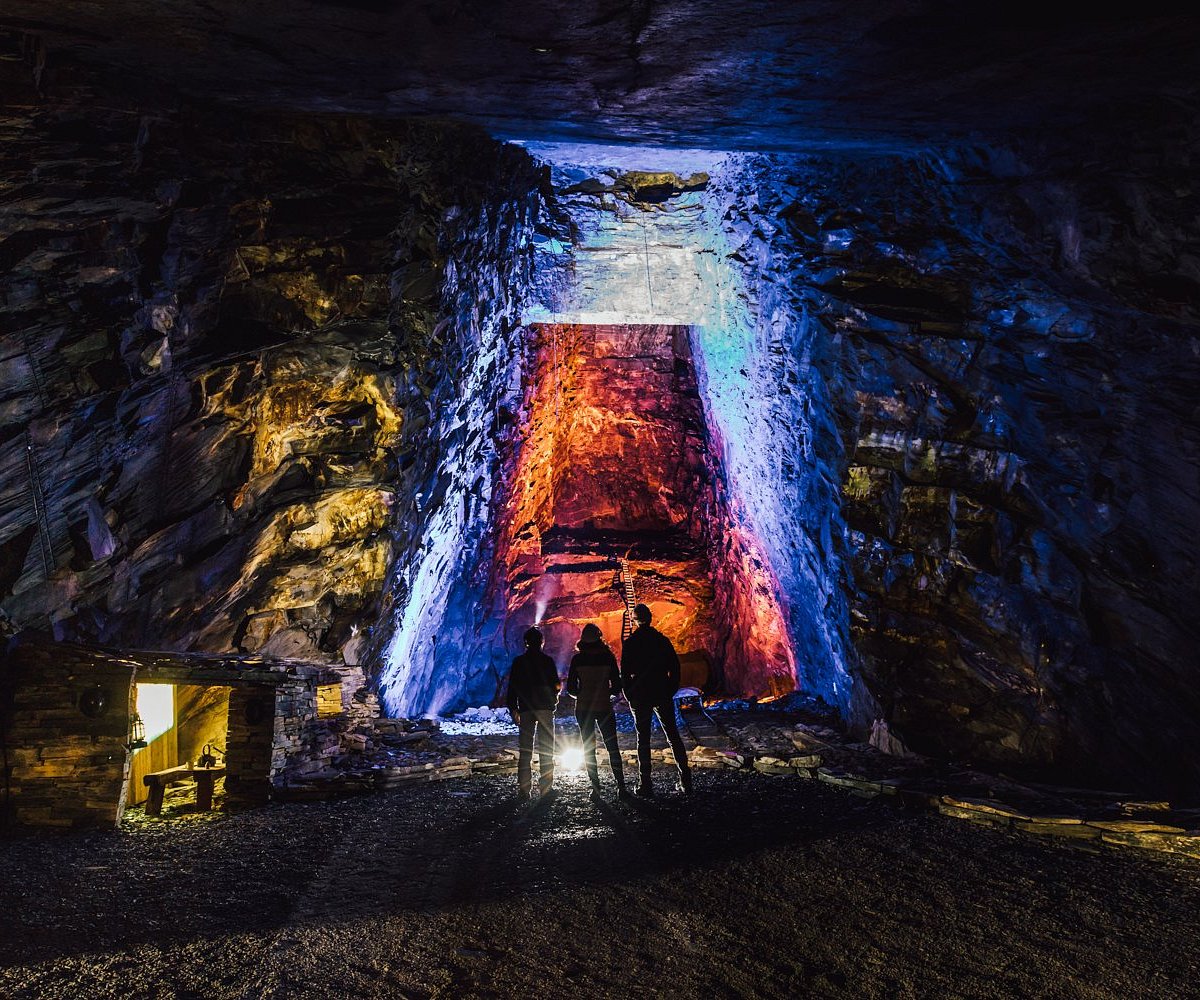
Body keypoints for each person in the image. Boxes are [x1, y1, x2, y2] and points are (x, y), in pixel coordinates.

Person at [620, 604, 693, 797]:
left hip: (641, 693)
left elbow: (624, 673)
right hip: (661, 690)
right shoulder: (661, 641)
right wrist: (670, 689)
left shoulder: (631, 643)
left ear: (634, 621)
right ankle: (686, 780)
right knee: (672, 735)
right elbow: (675, 668)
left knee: (642, 739)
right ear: (651, 618)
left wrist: (629, 695)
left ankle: (646, 784)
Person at [566, 623, 628, 798]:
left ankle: (596, 788)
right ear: (599, 638)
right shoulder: (608, 657)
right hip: (604, 707)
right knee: (612, 746)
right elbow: (616, 686)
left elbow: (571, 689)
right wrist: (605, 693)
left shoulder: (577, 660)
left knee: (588, 748)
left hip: (584, 708)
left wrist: (582, 693)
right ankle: (621, 787)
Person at [506, 626, 560, 800]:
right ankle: (546, 788)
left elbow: (512, 687)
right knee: (546, 749)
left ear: (526, 643)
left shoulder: (518, 662)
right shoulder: (548, 661)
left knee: (525, 750)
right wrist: (553, 702)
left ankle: (524, 789)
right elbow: (556, 686)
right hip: (544, 709)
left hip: (526, 709)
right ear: (542, 642)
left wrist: (513, 708)